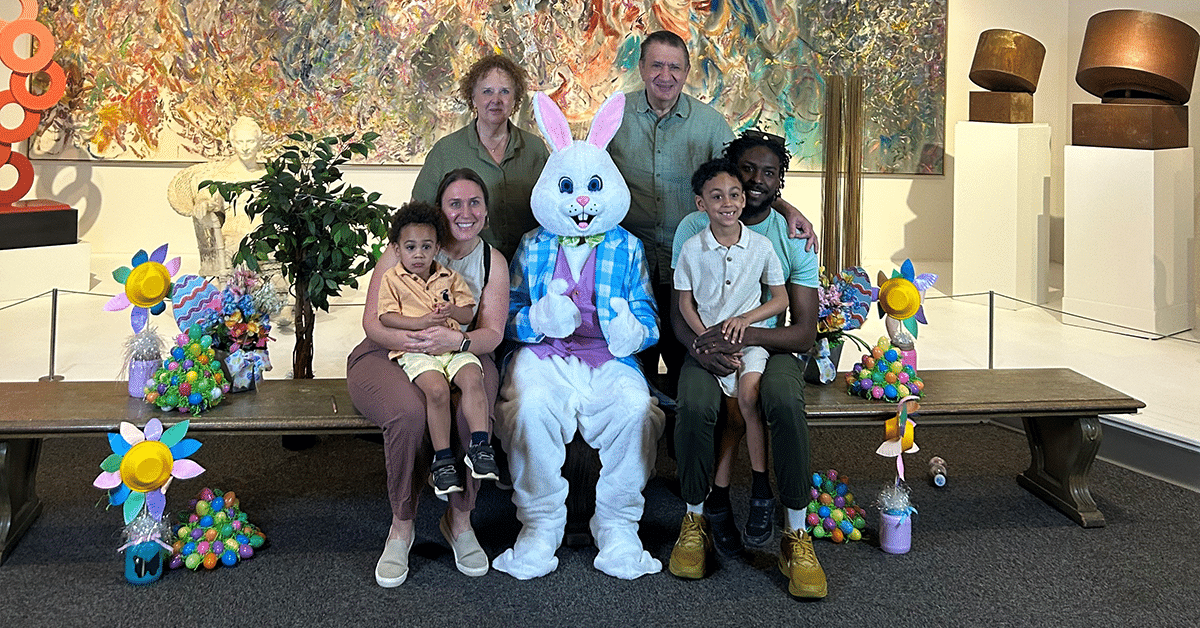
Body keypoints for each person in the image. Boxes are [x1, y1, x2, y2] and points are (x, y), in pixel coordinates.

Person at [607, 30, 816, 398]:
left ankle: (684, 431)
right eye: (656, 65)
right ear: (640, 68)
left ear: (687, 72)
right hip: (629, 267)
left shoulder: (710, 124)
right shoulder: (614, 117)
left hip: (693, 265)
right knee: (631, 371)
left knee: (687, 369)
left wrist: (785, 207)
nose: (665, 76)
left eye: (675, 67)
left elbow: (741, 184)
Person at [668, 130, 826, 599]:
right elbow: (679, 310)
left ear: (780, 182)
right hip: (707, 344)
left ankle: (795, 531)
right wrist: (704, 347)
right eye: (747, 171)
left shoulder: (791, 236)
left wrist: (742, 333)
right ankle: (694, 520)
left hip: (770, 346)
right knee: (694, 404)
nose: (756, 181)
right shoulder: (692, 230)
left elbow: (803, 332)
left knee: (782, 400)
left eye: (769, 173)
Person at [346, 168, 510, 587]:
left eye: (474, 203)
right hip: (392, 350)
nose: (465, 212)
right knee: (408, 414)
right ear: (440, 211)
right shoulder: (406, 248)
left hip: (463, 350)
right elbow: (375, 322)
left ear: (486, 212)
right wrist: (419, 340)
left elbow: (491, 332)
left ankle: (460, 521)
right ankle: (402, 526)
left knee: (474, 410)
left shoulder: (492, 261)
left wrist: (455, 342)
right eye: (455, 203)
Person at [672, 158, 787, 553]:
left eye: (734, 195)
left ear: (743, 199)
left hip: (751, 342)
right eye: (717, 196)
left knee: (750, 398)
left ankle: (760, 489)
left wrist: (745, 320)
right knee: (730, 415)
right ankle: (715, 498)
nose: (728, 203)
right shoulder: (692, 248)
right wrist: (706, 339)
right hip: (713, 347)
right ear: (701, 203)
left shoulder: (762, 246)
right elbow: (684, 303)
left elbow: (780, 299)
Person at [376, 201, 500, 496]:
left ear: (437, 249)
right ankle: (442, 460)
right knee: (437, 391)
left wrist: (451, 310)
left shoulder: (450, 278)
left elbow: (467, 314)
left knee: (473, 378)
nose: (418, 254)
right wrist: (420, 322)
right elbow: (386, 316)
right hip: (418, 351)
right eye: (410, 247)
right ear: (396, 249)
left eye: (426, 247)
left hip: (452, 347)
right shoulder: (392, 279)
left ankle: (480, 446)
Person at [411, 54, 550, 261]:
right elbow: (417, 218)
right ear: (473, 98)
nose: (496, 100)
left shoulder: (535, 149)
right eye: (487, 91)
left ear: (515, 99)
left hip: (530, 266)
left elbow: (554, 208)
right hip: (463, 268)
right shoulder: (445, 151)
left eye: (505, 91)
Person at [167, 116, 266, 276]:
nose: (245, 148)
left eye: (250, 142)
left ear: (259, 142)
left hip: (267, 232)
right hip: (236, 234)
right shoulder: (224, 176)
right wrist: (202, 202)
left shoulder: (268, 175)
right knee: (241, 246)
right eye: (240, 142)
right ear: (233, 143)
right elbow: (209, 196)